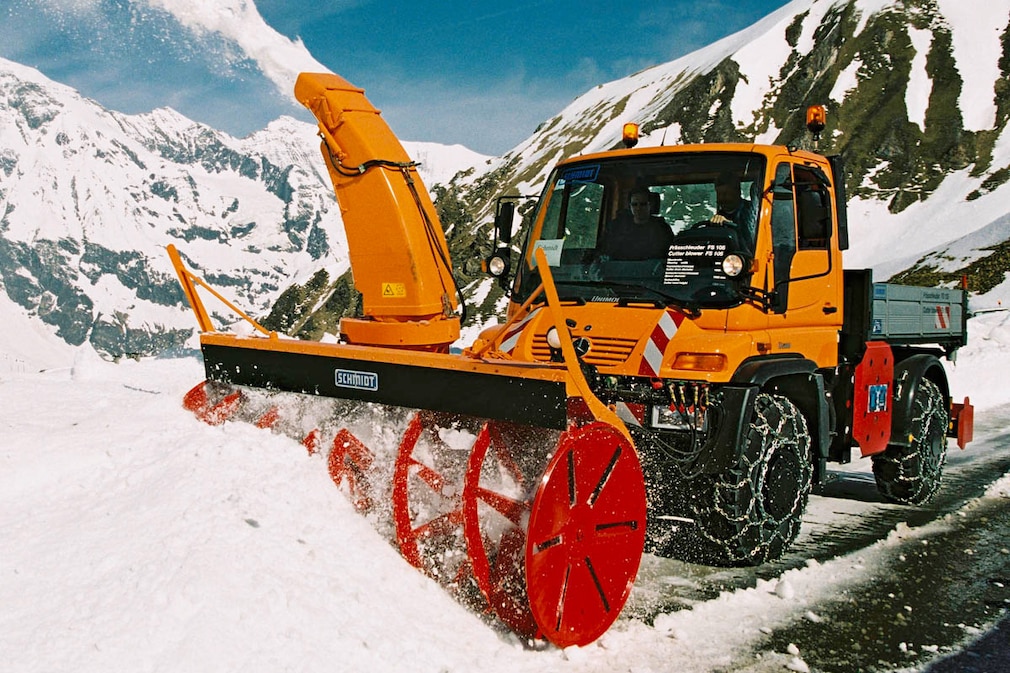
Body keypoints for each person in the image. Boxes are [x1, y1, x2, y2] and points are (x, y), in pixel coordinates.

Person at [599, 187, 675, 260]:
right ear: (630, 206)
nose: (638, 208)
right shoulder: (615, 228)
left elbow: (668, 256)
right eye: (634, 204)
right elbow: (603, 251)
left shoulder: (662, 229)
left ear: (650, 205)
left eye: (643, 204)